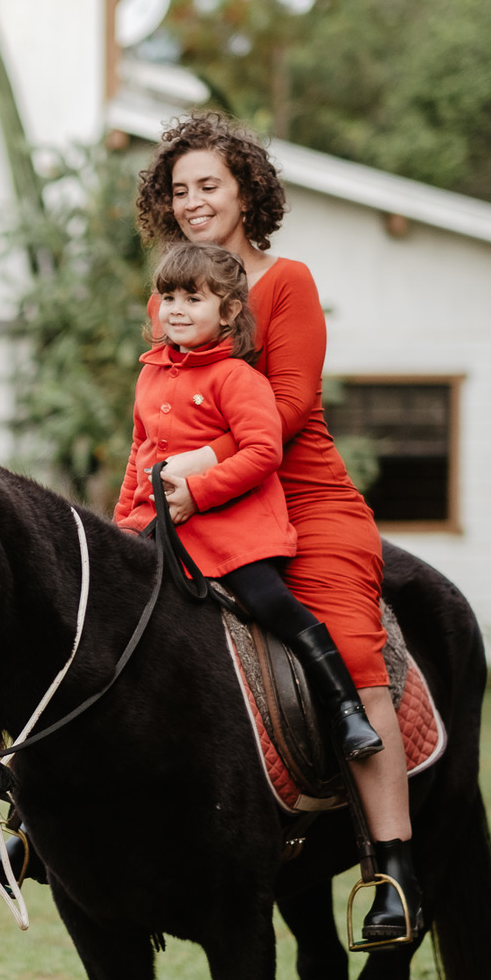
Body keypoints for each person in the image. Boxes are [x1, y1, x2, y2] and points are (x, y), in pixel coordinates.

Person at [0, 113, 421, 948]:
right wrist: (135, 514)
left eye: (210, 184)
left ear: (247, 191)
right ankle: (38, 824)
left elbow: (284, 412)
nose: (194, 201)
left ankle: (391, 865)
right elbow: (156, 419)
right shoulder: (175, 292)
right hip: (182, 503)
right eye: (179, 191)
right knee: (86, 630)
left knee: (351, 648)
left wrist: (196, 477)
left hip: (298, 494)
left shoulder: (287, 285)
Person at [113, 238, 382, 764]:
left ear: (229, 310)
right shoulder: (149, 373)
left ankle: (345, 707)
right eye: (169, 298)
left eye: (194, 299)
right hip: (160, 529)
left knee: (267, 601)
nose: (177, 309)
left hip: (232, 530)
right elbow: (137, 454)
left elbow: (263, 453)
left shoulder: (239, 378)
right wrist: (123, 524)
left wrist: (199, 491)